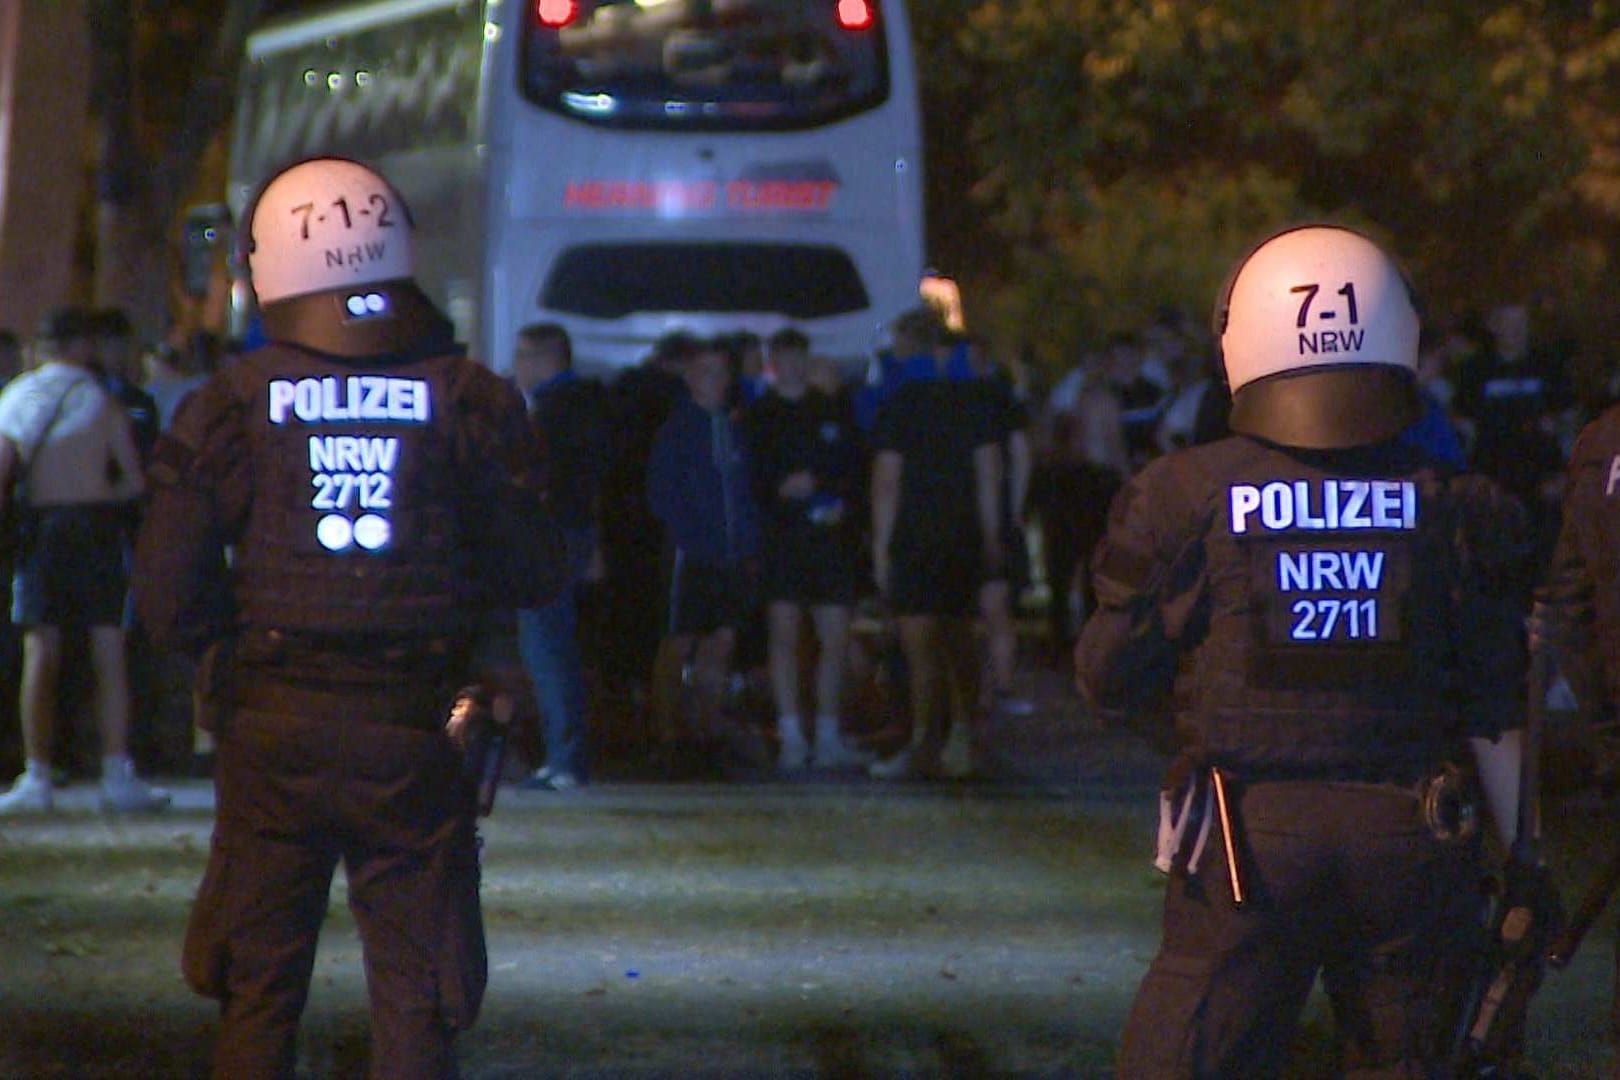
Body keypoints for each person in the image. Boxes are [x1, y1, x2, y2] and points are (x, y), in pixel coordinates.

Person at [132, 157, 564, 1078]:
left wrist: (223, 652)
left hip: (270, 726)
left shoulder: (231, 406)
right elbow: (534, 567)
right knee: (418, 992)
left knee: (257, 986)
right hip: (418, 730)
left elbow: (167, 596)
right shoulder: (467, 397)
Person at [1076, 225, 1532, 1075]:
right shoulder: (1456, 503)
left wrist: (1187, 729)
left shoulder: (1182, 493)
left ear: (1237, 337)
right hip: (1415, 835)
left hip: (1246, 842)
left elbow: (1107, 676)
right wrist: (1527, 859)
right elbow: (1498, 702)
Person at [0, 306, 162, 815]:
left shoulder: (19, 396)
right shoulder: (101, 398)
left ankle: (38, 775)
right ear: (82, 346)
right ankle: (117, 770)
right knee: (107, 647)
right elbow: (135, 481)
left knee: (40, 650)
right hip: (96, 529)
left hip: (43, 529)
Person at [868, 307, 1003, 780]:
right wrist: (991, 536)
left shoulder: (900, 402)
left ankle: (924, 742)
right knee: (959, 642)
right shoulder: (976, 403)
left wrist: (882, 548)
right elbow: (989, 474)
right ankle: (962, 737)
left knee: (919, 647)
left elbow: (887, 480)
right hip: (962, 531)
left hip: (914, 533)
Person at [743, 326, 867, 771]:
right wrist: (780, 489)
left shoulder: (831, 407)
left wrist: (827, 489)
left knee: (834, 638)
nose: (793, 364)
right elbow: (750, 481)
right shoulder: (760, 415)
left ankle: (829, 733)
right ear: (774, 361)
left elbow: (855, 469)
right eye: (784, 356)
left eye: (799, 355)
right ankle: (792, 733)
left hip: (829, 541)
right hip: (783, 541)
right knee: (784, 637)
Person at [645, 341, 762, 762]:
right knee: (680, 638)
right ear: (691, 377)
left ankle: (706, 724)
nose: (714, 380)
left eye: (719, 371)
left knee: (722, 638)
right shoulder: (678, 428)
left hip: (731, 554)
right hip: (693, 553)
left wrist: (747, 541)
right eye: (704, 371)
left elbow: (744, 490)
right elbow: (661, 492)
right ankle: (665, 729)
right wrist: (691, 536)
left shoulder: (733, 427)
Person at [508, 322, 610, 792]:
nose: (517, 367)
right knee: (557, 646)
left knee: (546, 648)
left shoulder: (551, 413)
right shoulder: (585, 406)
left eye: (523, 357)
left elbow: (537, 480)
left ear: (546, 358)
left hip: (550, 539)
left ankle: (563, 758)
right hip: (573, 535)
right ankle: (564, 755)